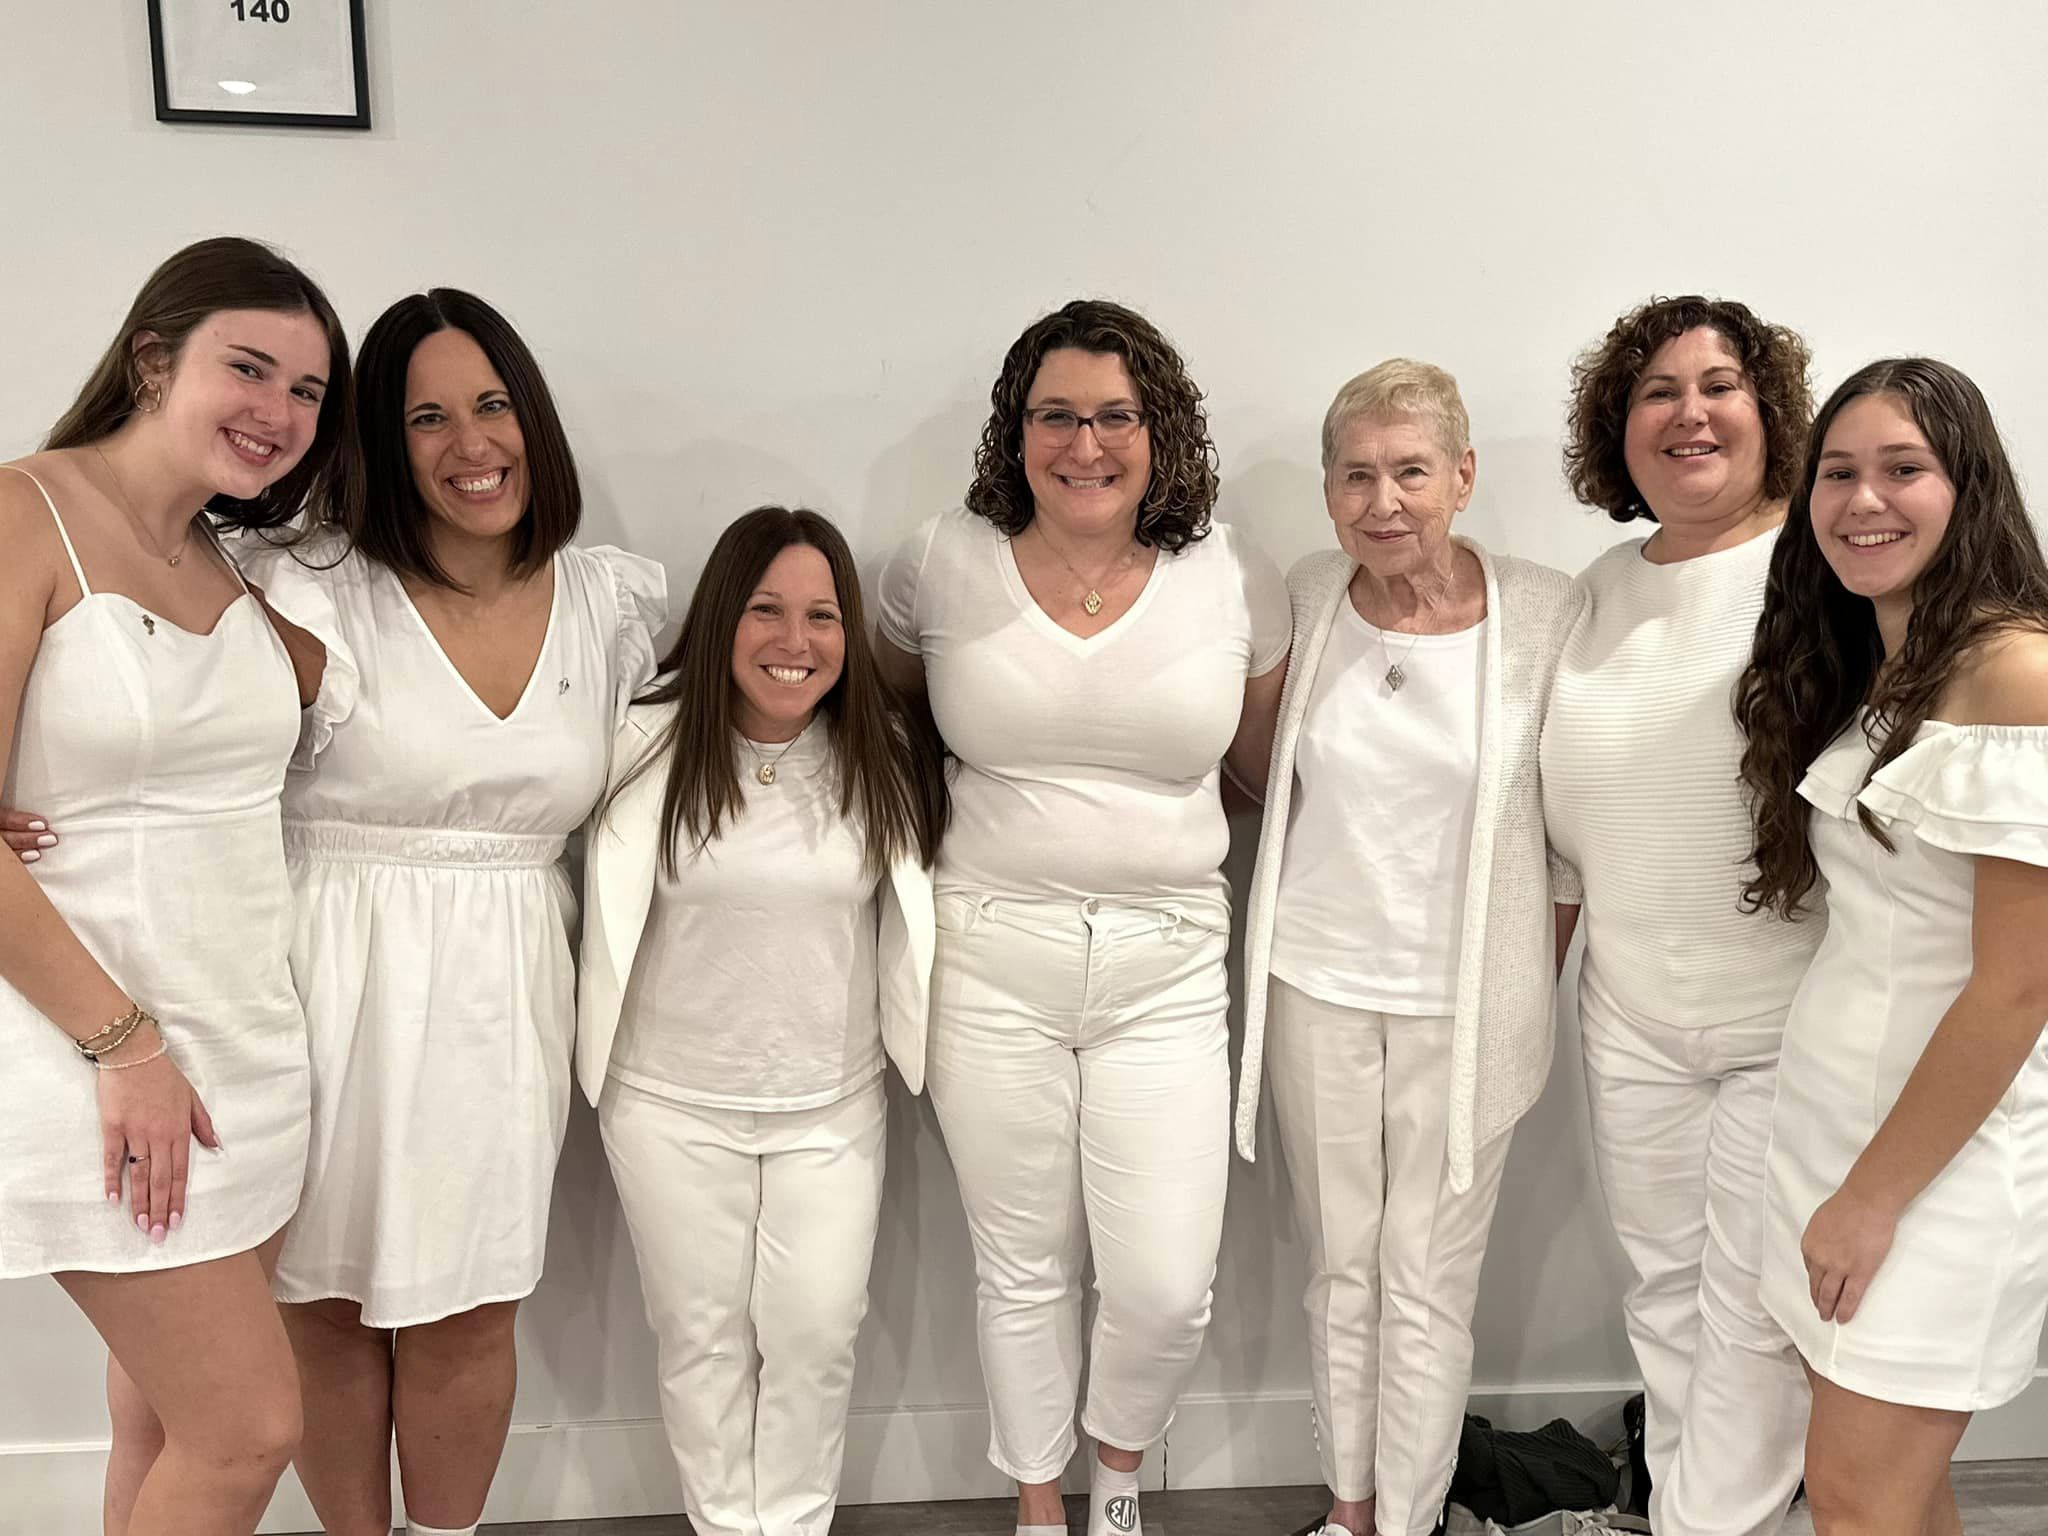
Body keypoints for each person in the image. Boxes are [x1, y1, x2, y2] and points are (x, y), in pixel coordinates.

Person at [219, 290, 662, 1536]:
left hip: (502, 985)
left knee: (469, 1308)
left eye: (492, 404)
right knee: (322, 1300)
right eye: (426, 417)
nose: (471, 443)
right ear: (377, 439)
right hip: (316, 972)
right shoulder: (304, 588)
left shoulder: (609, 605)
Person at [876, 298, 1289, 1536]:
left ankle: (1118, 1481)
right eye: (1055, 415)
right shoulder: (937, 558)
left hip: (1166, 962)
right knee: (1023, 1266)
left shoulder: (1230, 570)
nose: (1085, 443)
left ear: (1159, 430)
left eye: (1115, 415)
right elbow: (892, 727)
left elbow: (1257, 772)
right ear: (1017, 432)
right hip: (989, 951)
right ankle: (1039, 1504)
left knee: (1164, 1285)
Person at [0, 236, 356, 1536]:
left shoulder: (224, 561)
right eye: (247, 368)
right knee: (248, 1427)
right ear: (153, 359)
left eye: (309, 392)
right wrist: (125, 1044)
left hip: (245, 1047)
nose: (279, 413)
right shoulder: (21, 511)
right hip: (100, 1055)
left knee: (160, 1418)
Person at [1236, 360, 1579, 1536]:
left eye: (1410, 471)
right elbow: (1255, 770)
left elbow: (1567, 837)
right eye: (1355, 475)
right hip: (1313, 984)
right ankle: (1348, 1512)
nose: (1382, 501)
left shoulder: (1542, 611)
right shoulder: (1306, 592)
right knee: (1340, 1267)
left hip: (1463, 1005)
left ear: (1462, 477)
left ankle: (1413, 1517)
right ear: (1329, 493)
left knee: (1427, 1282)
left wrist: (1522, 985)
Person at [578, 505, 947, 1536]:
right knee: (696, 1339)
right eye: (766, 611)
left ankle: (788, 1525)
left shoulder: (882, 754)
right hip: (666, 1104)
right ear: (719, 619)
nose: (795, 643)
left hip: (828, 1107)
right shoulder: (637, 747)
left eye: (822, 616)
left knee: (817, 1334)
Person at [1735, 359, 2048, 1536]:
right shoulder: (1892, 669)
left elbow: (2017, 986)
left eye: (1901, 469)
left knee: (1857, 1500)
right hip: (1838, 1128)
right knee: (1894, 1495)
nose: (1862, 501)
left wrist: (1870, 1200)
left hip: (1931, 1170)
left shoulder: (2015, 674)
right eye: (1838, 474)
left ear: (1965, 485)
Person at [1540, 295, 1817, 1536]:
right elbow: (1557, 840)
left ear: (1767, 412)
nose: (1687, 412)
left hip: (1790, 1017)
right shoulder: (1595, 592)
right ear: (1619, 426)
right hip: (1633, 1016)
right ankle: (1694, 1515)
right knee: (1661, 1295)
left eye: (1717, 385)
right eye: (1655, 390)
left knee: (1753, 1313)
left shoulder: (1819, 562)